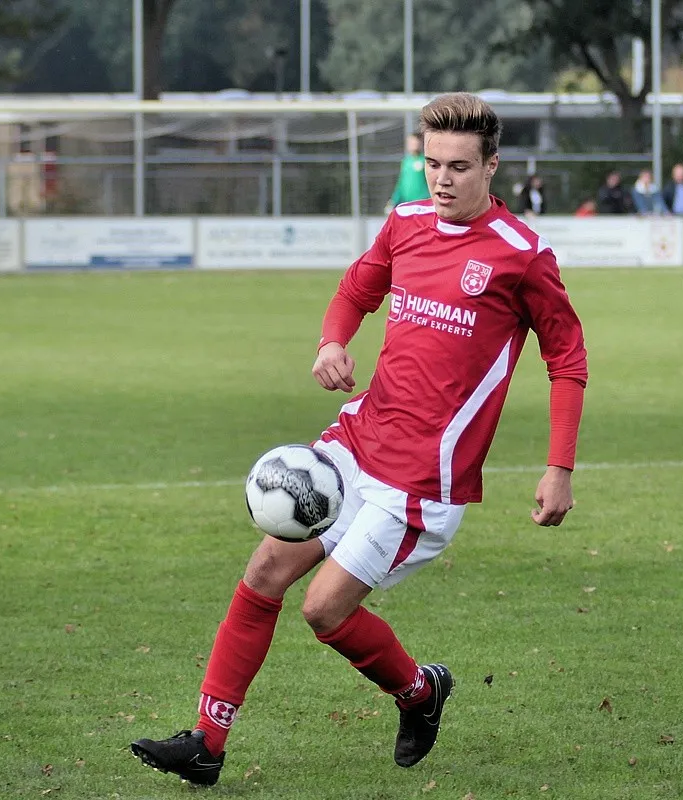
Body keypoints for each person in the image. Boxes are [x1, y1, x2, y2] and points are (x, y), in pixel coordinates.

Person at [131, 92, 589, 786]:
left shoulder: (523, 256)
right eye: (432, 162)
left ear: (492, 166)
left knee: (323, 609)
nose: (442, 179)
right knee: (263, 574)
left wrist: (559, 467)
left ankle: (421, 693)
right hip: (358, 442)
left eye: (460, 166)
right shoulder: (405, 224)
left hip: (423, 484)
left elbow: (568, 360)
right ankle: (206, 743)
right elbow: (355, 291)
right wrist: (331, 342)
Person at [385, 133, 430, 211]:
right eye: (411, 143)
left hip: (422, 204)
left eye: (415, 142)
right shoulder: (406, 162)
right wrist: (393, 200)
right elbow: (401, 184)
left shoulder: (425, 161)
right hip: (407, 203)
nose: (413, 145)